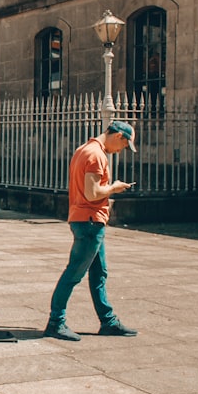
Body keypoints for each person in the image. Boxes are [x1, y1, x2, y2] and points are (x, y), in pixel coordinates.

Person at [44, 120, 138, 341]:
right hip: (90, 222)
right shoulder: (96, 155)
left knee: (98, 273)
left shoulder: (83, 150)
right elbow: (92, 193)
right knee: (74, 273)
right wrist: (114, 188)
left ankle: (108, 321)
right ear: (119, 136)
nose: (122, 150)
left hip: (86, 220)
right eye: (124, 146)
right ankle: (55, 322)